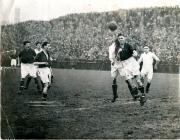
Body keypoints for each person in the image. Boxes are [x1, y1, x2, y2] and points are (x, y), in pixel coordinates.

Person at [109, 33, 145, 105]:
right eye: (119, 38)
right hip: (123, 64)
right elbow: (117, 58)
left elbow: (134, 52)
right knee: (129, 81)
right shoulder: (116, 48)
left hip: (131, 62)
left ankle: (142, 94)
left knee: (138, 80)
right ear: (118, 40)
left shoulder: (128, 45)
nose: (120, 39)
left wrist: (135, 53)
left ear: (124, 38)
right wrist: (118, 54)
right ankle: (136, 95)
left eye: (122, 38)